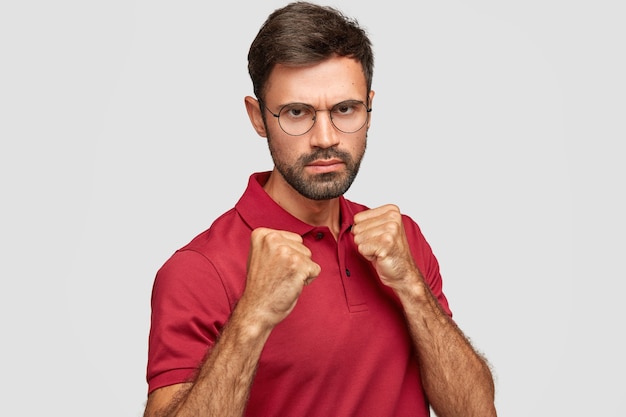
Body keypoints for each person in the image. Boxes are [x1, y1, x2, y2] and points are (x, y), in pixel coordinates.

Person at [143, 2, 496, 416]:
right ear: (258, 117)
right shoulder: (198, 270)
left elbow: (476, 411)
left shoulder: (402, 240)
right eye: (297, 113)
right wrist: (252, 317)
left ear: (369, 107)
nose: (325, 138)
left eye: (345, 109)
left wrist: (412, 288)